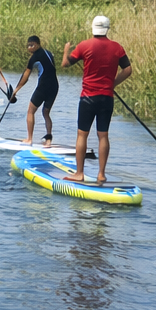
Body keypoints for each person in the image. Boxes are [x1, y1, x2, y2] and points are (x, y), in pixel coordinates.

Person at [62, 15, 132, 184]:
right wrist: (112, 84)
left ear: (93, 28)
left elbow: (65, 63)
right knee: (103, 135)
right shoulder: (117, 47)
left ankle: (79, 173)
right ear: (107, 29)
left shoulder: (84, 45)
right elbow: (128, 70)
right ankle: (101, 174)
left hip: (88, 98)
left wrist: (66, 50)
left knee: (82, 134)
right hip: (106, 98)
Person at [10, 36, 59, 145]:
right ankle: (48, 139)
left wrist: (16, 90)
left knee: (30, 111)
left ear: (38, 44)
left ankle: (29, 139)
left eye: (32, 45)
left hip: (43, 87)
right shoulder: (48, 53)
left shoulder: (34, 58)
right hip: (55, 86)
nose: (29, 48)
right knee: (46, 113)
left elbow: (26, 76)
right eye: (28, 45)